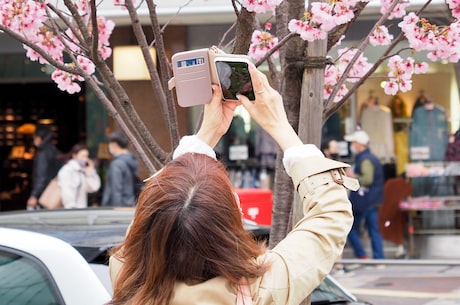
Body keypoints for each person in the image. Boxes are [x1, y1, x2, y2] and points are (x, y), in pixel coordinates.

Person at [107, 64, 359, 305]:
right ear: (232, 220)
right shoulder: (261, 289)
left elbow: (149, 215)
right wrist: (280, 127)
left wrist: (205, 136)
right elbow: (330, 216)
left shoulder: (126, 273)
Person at [344, 130, 385, 262]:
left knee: (349, 228)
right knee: (373, 230)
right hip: (372, 199)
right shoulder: (368, 157)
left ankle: (362, 255)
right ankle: (379, 259)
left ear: (359, 144)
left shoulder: (365, 159)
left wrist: (352, 176)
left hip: (365, 200)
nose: (351, 145)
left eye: (353, 142)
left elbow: (367, 179)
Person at [101, 131, 139, 207]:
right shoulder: (131, 160)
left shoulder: (117, 164)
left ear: (114, 145)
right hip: (129, 203)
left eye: (110, 144)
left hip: (117, 208)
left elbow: (116, 190)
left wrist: (116, 211)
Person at [26, 125, 60, 210]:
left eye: (34, 137)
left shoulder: (43, 155)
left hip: (45, 197)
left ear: (39, 138)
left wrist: (34, 195)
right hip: (54, 195)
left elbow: (41, 177)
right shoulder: (55, 151)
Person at [57, 144, 101, 209]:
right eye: (83, 156)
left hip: (81, 209)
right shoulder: (67, 171)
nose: (85, 159)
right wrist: (71, 207)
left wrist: (90, 171)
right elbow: (66, 192)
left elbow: (94, 187)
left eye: (87, 156)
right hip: (71, 210)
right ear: (74, 156)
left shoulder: (83, 171)